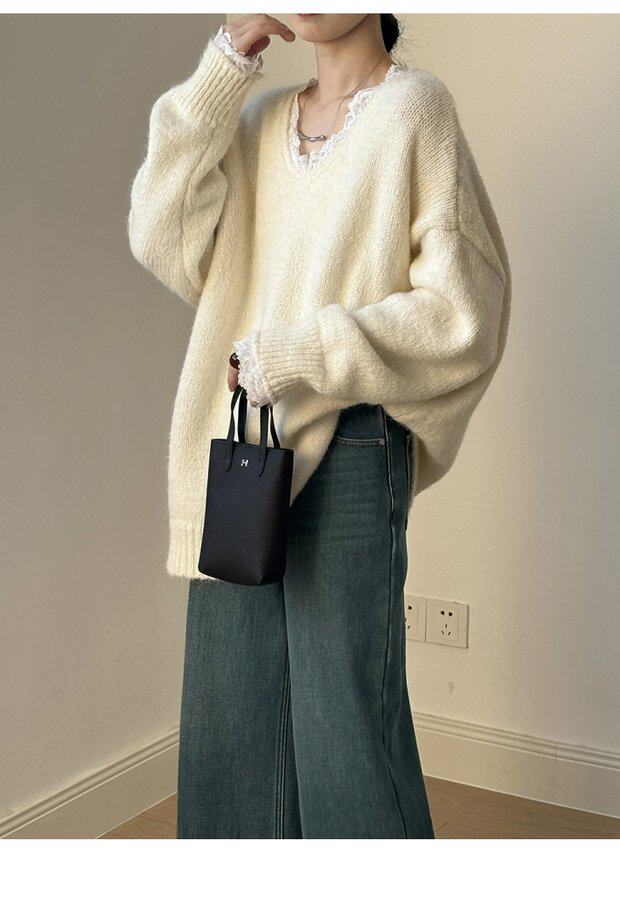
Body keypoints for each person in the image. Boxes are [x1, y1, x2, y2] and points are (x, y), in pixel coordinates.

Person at [128, 13, 511, 839]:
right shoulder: (259, 119)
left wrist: (302, 353)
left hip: (352, 442)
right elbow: (162, 234)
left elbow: (464, 312)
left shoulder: (415, 109)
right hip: (245, 452)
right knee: (230, 738)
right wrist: (227, 59)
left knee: (348, 740)